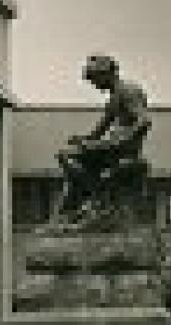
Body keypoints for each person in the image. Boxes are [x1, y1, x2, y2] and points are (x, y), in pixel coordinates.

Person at [55, 53, 152, 219]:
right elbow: (100, 130)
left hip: (122, 150)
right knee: (67, 155)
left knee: (67, 156)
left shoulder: (129, 90)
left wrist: (119, 141)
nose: (94, 85)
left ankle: (97, 193)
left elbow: (144, 121)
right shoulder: (114, 96)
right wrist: (83, 139)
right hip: (110, 147)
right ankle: (88, 200)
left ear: (106, 73)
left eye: (95, 79)